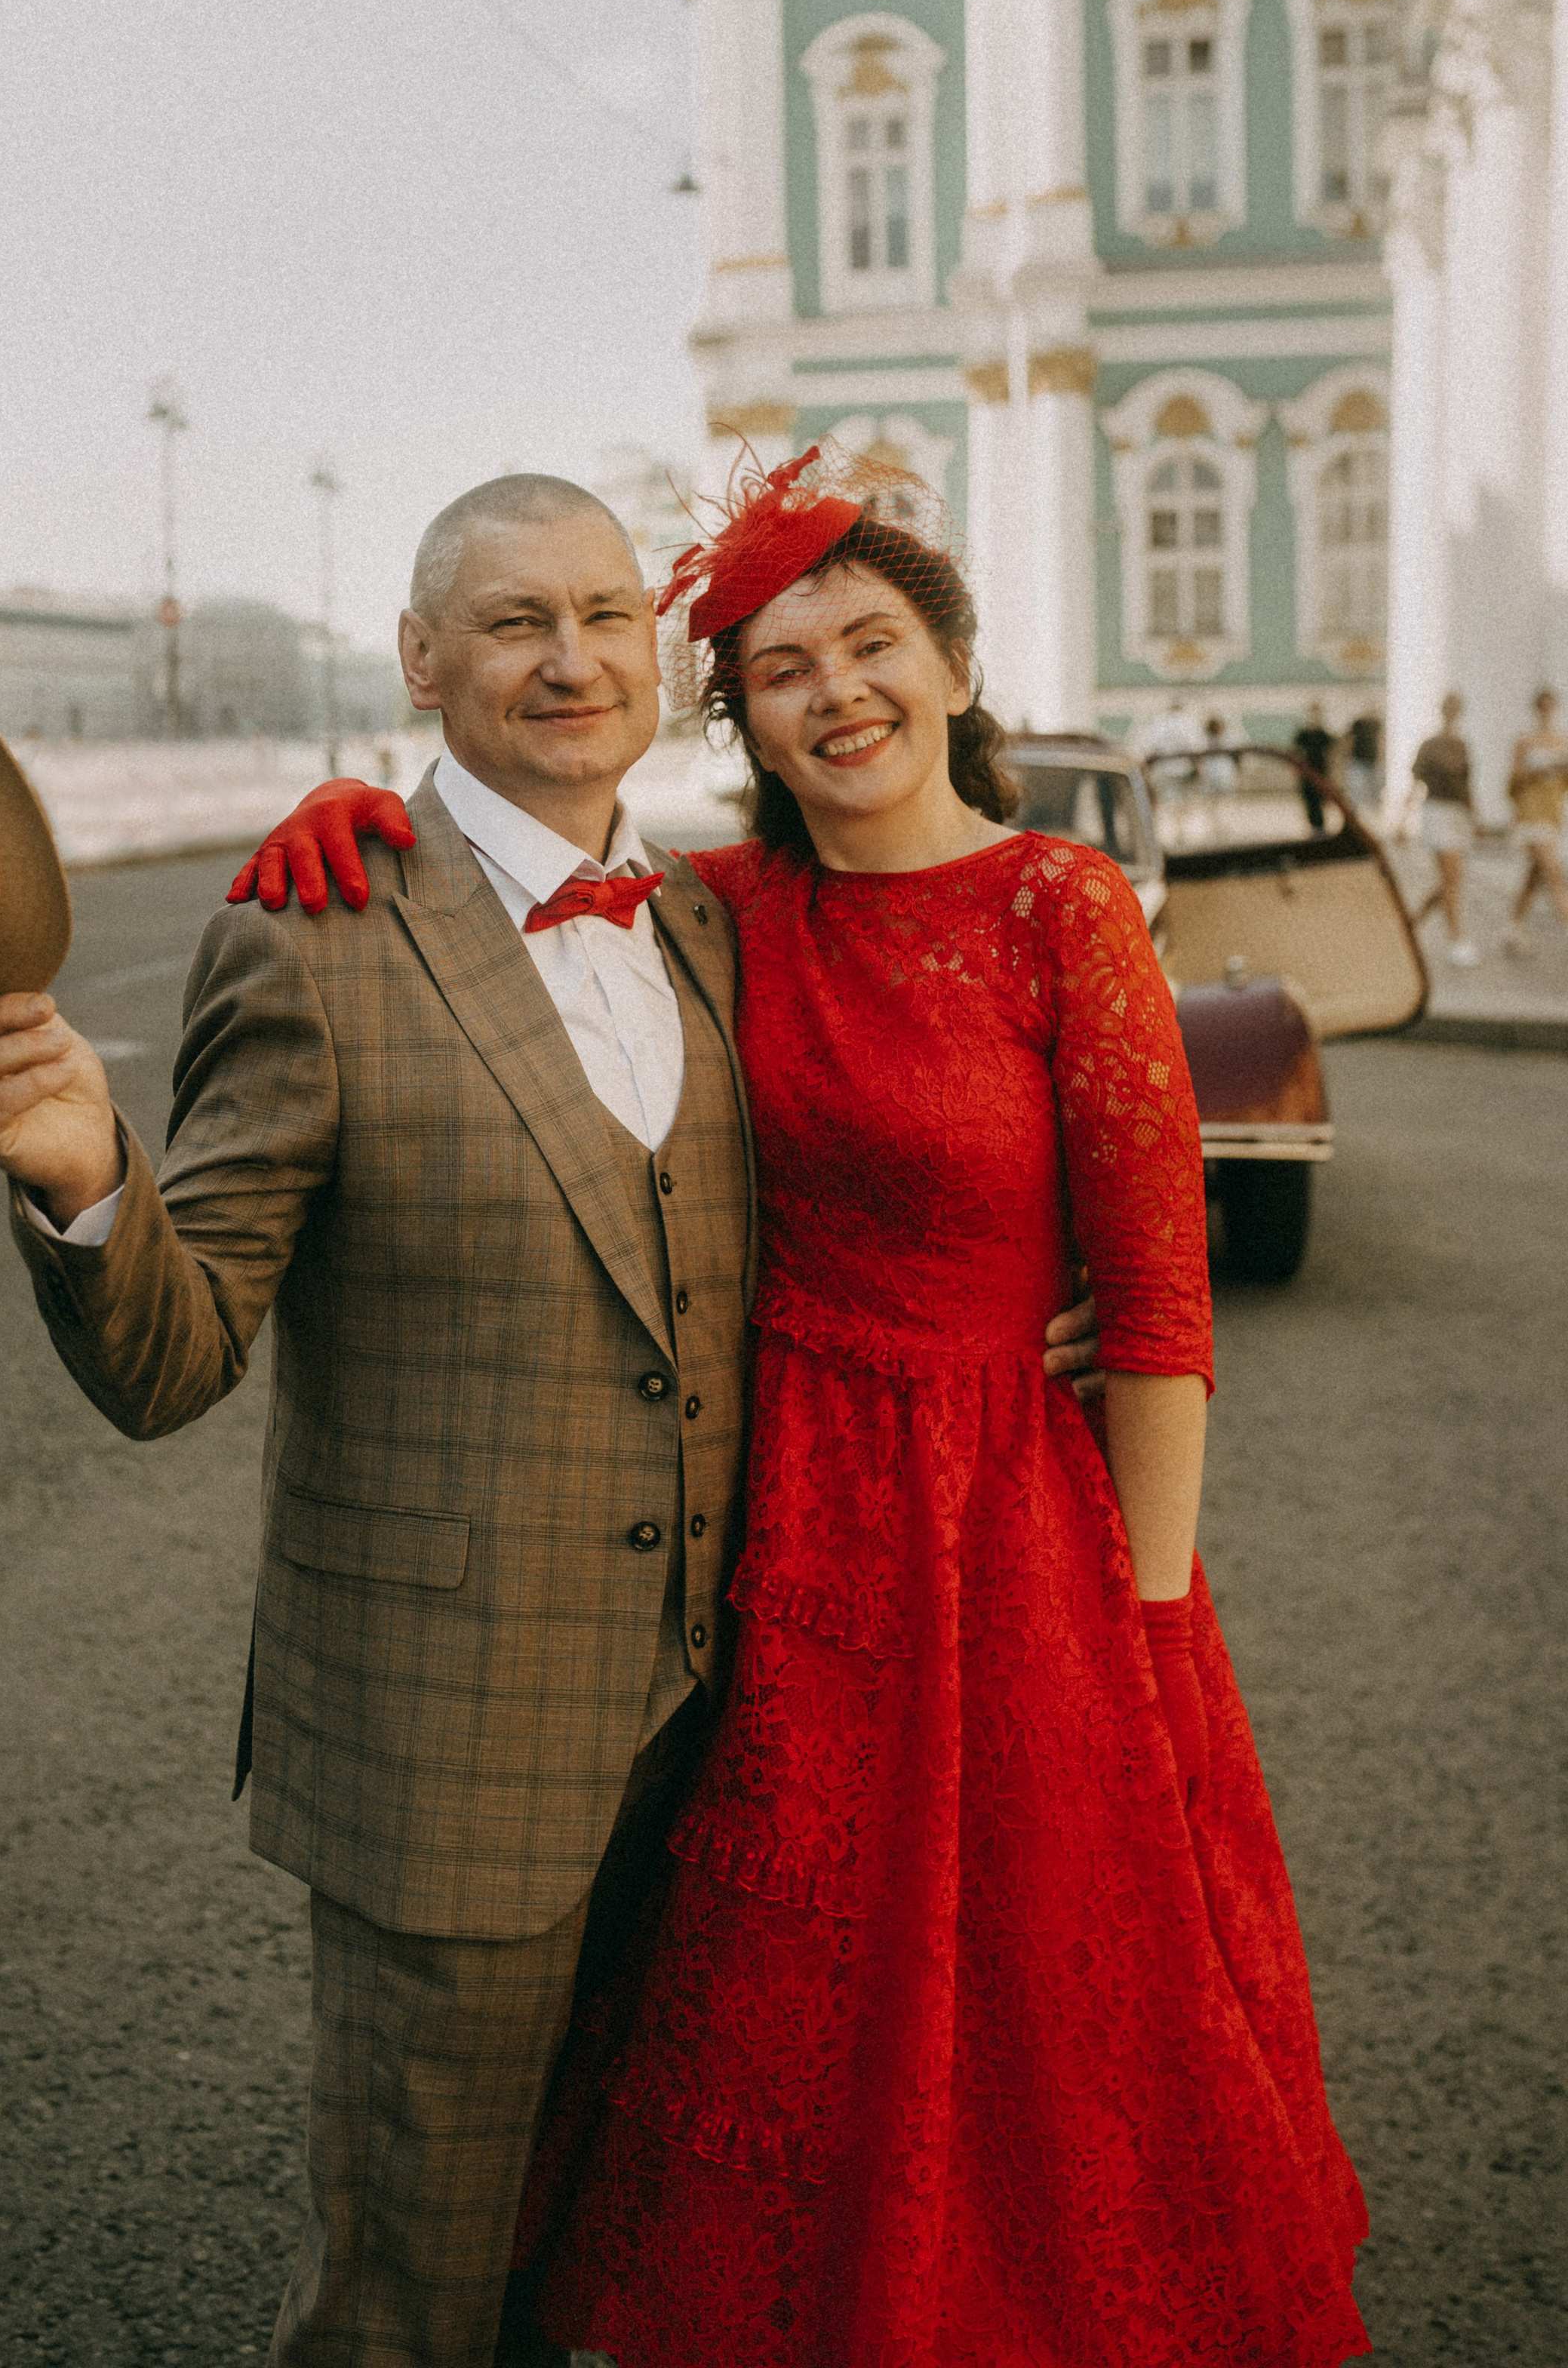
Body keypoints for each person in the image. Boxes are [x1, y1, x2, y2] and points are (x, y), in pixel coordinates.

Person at [0, 470, 1096, 2368]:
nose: (570, 658)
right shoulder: (311, 933)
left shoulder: (719, 920)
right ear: (417, 659)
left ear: (655, 651)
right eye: (511, 622)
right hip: (449, 1755)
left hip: (740, 1739)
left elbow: (921, 1112)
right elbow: (172, 1355)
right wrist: (79, 1173)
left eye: (608, 615)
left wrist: (1068, 1293)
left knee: (622, 2263)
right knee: (409, 2301)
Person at [253, 451, 1370, 2368]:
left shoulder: (1059, 905)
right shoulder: (712, 912)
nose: (836, 689)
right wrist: (371, 816)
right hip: (764, 1512)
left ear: (946, 668)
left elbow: (1160, 1306)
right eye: (782, 665)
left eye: (871, 645)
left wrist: (1150, 1624)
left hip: (1003, 1537)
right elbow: (521, 905)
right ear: (743, 714)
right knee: (763, 1983)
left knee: (1011, 2004)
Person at [1409, 691, 1480, 967]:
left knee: (1451, 881)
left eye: (1456, 708)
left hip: (1459, 813)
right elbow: (1417, 782)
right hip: (1436, 812)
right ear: (1442, 710)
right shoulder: (1429, 745)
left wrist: (1476, 818)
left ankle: (1411, 925)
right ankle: (1457, 939)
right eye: (1449, 707)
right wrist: (1404, 819)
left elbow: (1467, 785)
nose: (1452, 712)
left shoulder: (1462, 745)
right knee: (1451, 880)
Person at [1504, 684, 1568, 955]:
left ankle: (1513, 928)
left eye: (1550, 705)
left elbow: (1563, 784)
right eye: (1542, 705)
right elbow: (1513, 783)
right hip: (1530, 814)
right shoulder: (1525, 740)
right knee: (1554, 874)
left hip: (1551, 813)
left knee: (1535, 877)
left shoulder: (1563, 741)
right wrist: (1537, 772)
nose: (1546, 711)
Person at [1294, 700, 1337, 835]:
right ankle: (1314, 827)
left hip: (1320, 771)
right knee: (1309, 799)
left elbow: (1330, 754)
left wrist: (1332, 773)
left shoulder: (1323, 734)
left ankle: (1320, 827)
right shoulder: (1303, 734)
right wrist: (1297, 771)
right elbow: (1297, 752)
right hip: (1307, 771)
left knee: (1320, 799)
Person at [1344, 706, 1384, 818]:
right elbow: (1350, 741)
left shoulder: (1376, 724)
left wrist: (1380, 759)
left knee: (1375, 791)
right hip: (1358, 761)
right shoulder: (1358, 724)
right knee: (1357, 790)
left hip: (1372, 762)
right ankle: (1354, 815)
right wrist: (1348, 758)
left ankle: (1374, 816)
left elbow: (1380, 741)